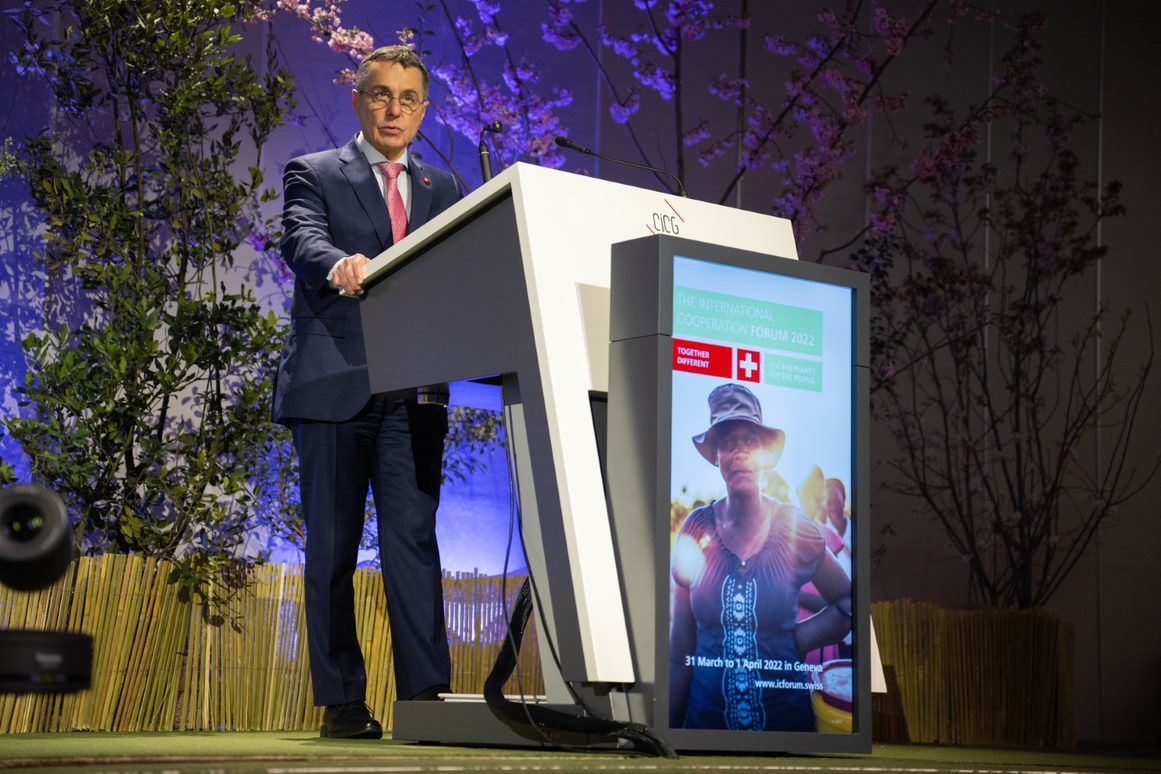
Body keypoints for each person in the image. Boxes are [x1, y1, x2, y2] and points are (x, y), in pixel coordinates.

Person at [273, 45, 462, 739]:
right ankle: (343, 702)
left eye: (408, 99)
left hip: (414, 391)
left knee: (413, 541)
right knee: (331, 549)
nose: (393, 110)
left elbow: (461, 271)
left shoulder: (446, 187)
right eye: (380, 95)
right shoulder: (316, 172)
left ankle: (426, 697)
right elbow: (300, 239)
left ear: (422, 110)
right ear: (359, 100)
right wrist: (339, 263)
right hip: (333, 386)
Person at [669, 383, 851, 732]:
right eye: (727, 442)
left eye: (750, 441)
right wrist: (669, 740)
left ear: (765, 455)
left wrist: (799, 639)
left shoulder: (795, 527)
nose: (740, 452)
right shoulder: (695, 529)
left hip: (786, 737)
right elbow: (679, 657)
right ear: (716, 457)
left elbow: (848, 601)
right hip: (704, 733)